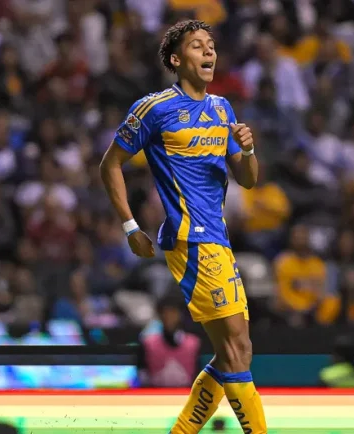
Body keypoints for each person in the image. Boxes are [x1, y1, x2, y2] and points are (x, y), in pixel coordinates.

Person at [100, 20, 266, 434]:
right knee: (236, 347)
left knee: (233, 352)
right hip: (191, 238)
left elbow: (248, 179)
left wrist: (248, 151)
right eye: (197, 46)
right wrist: (130, 226)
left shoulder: (222, 109)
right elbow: (110, 164)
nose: (209, 52)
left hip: (217, 238)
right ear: (176, 60)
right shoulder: (154, 108)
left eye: (211, 45)